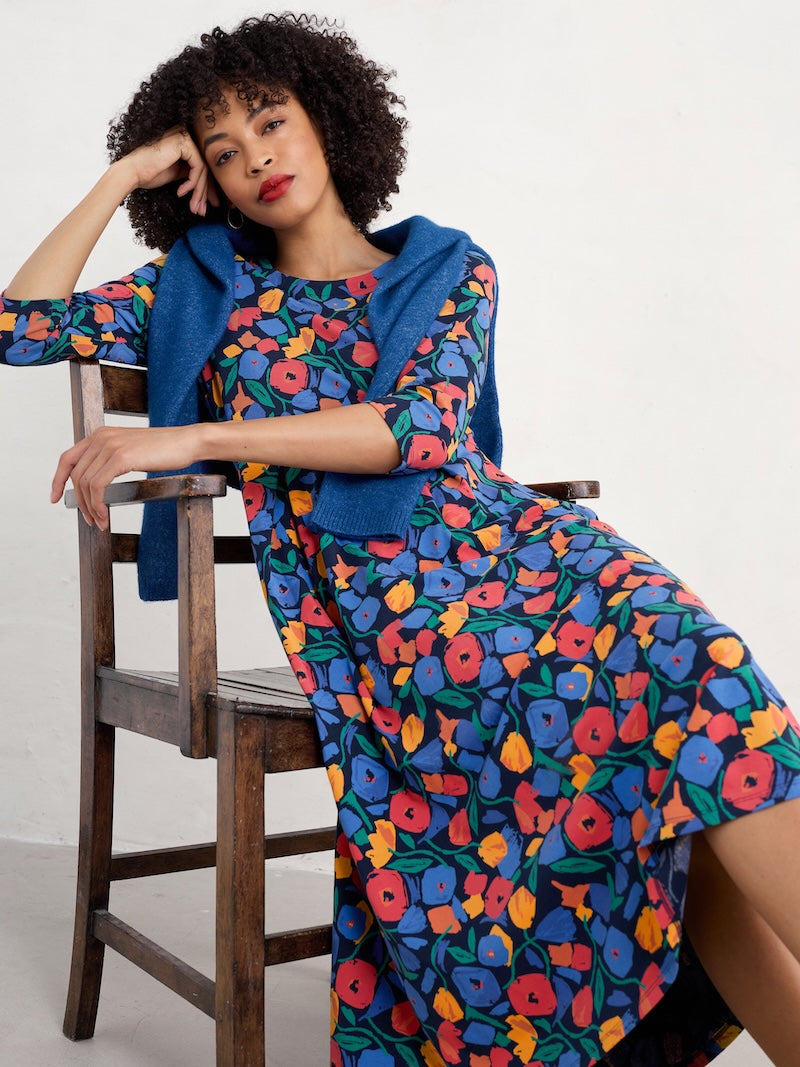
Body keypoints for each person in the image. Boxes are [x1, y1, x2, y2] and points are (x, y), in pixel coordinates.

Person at [2, 13, 800, 1067]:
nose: (255, 161)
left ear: (327, 119)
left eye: (271, 123)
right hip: (392, 624)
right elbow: (18, 326)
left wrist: (190, 431)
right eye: (224, 151)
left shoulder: (447, 268)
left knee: (704, 676)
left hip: (530, 570)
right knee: (669, 799)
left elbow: (419, 429)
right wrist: (125, 174)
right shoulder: (200, 290)